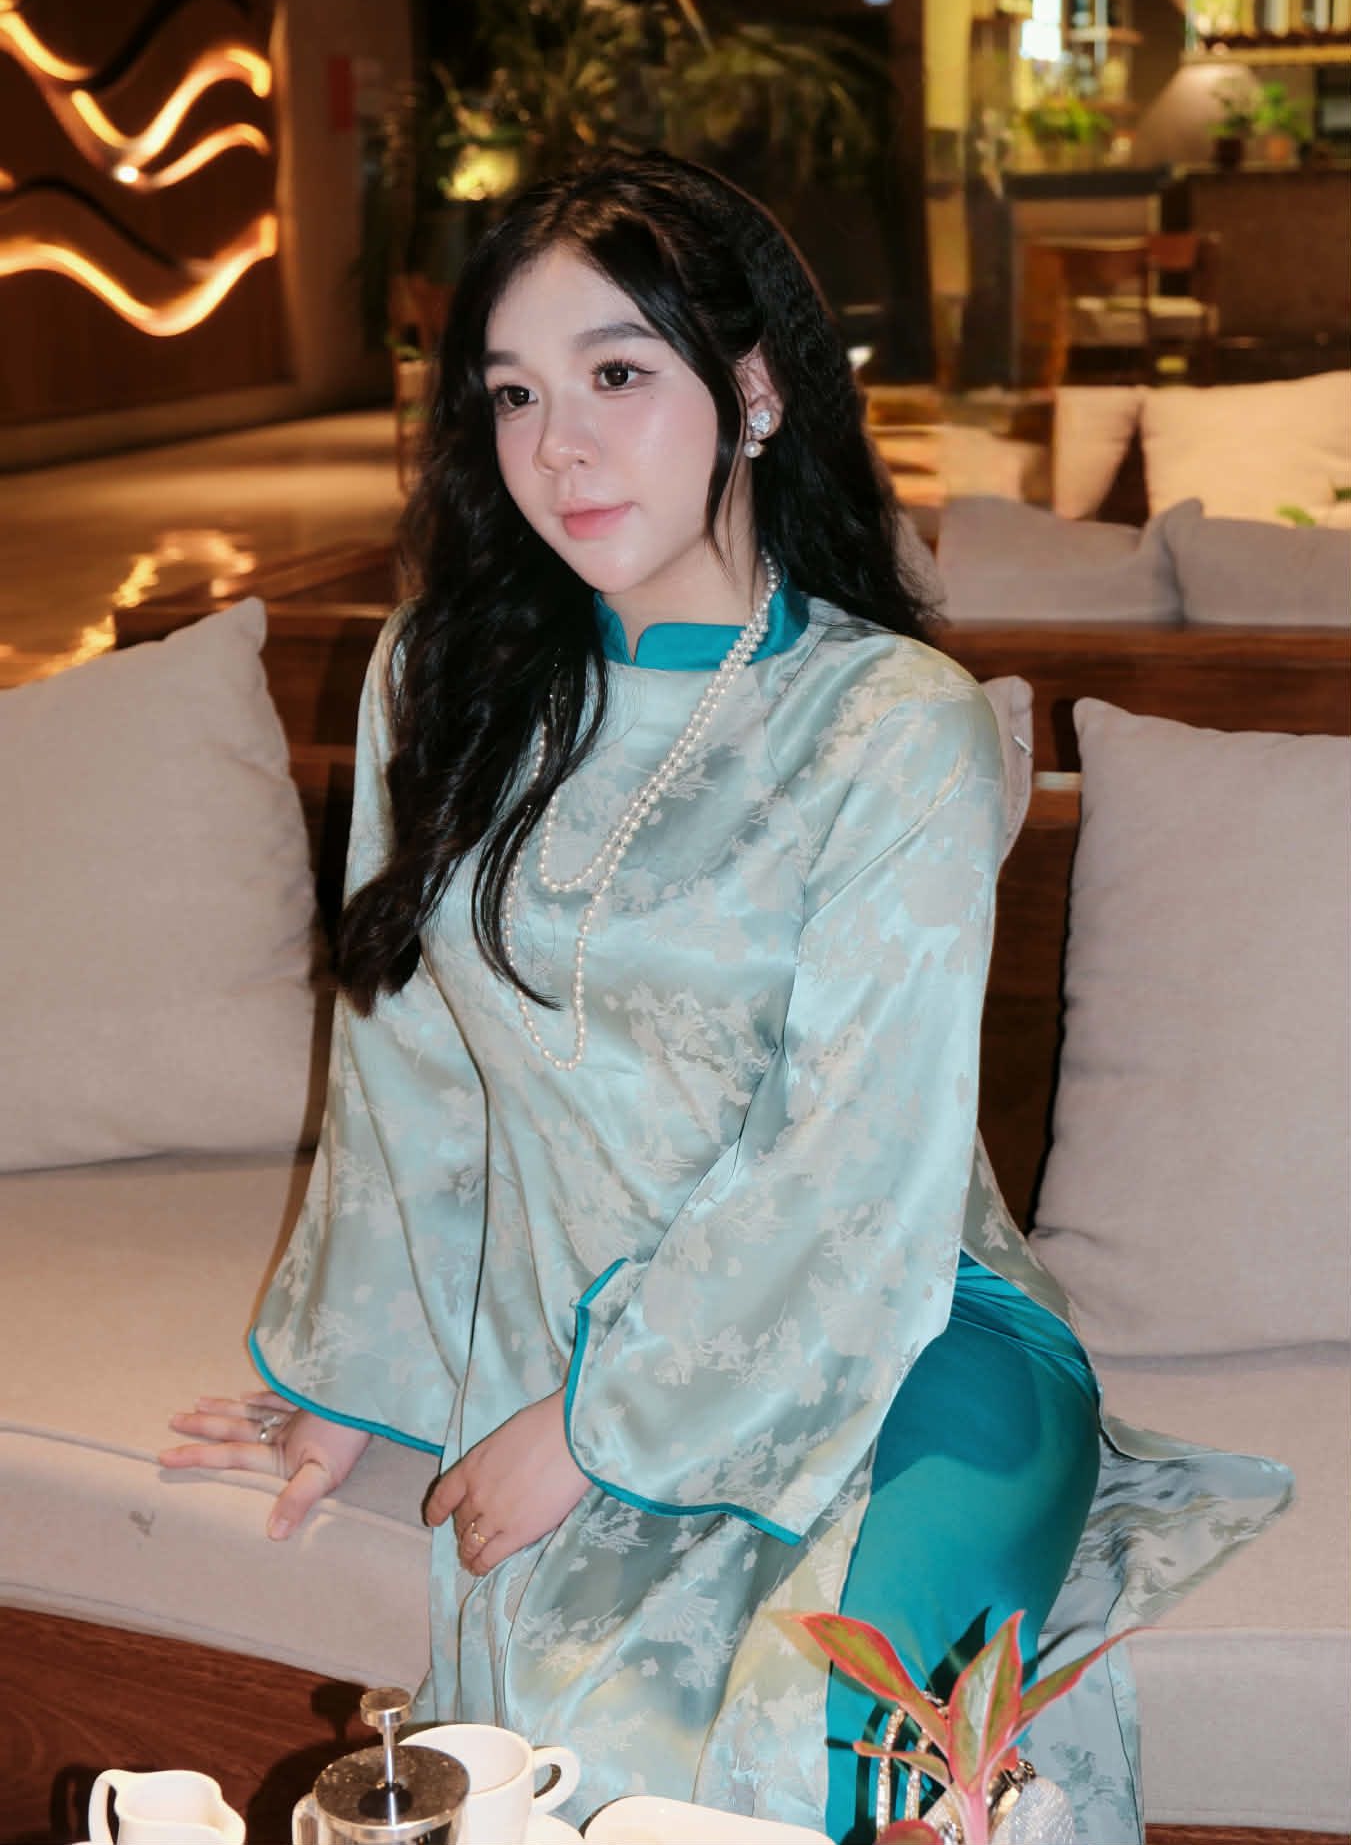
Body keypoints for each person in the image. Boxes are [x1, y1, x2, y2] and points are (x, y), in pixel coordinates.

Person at [162, 153, 1288, 1844]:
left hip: (921, 1337)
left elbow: (851, 1165)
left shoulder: (891, 724)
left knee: (853, 1750)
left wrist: (591, 1427)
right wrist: (349, 1378)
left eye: (618, 374)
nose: (560, 445)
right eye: (516, 394)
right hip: (579, 1324)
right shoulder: (440, 680)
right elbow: (410, 1066)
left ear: (752, 391)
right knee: (594, 1733)